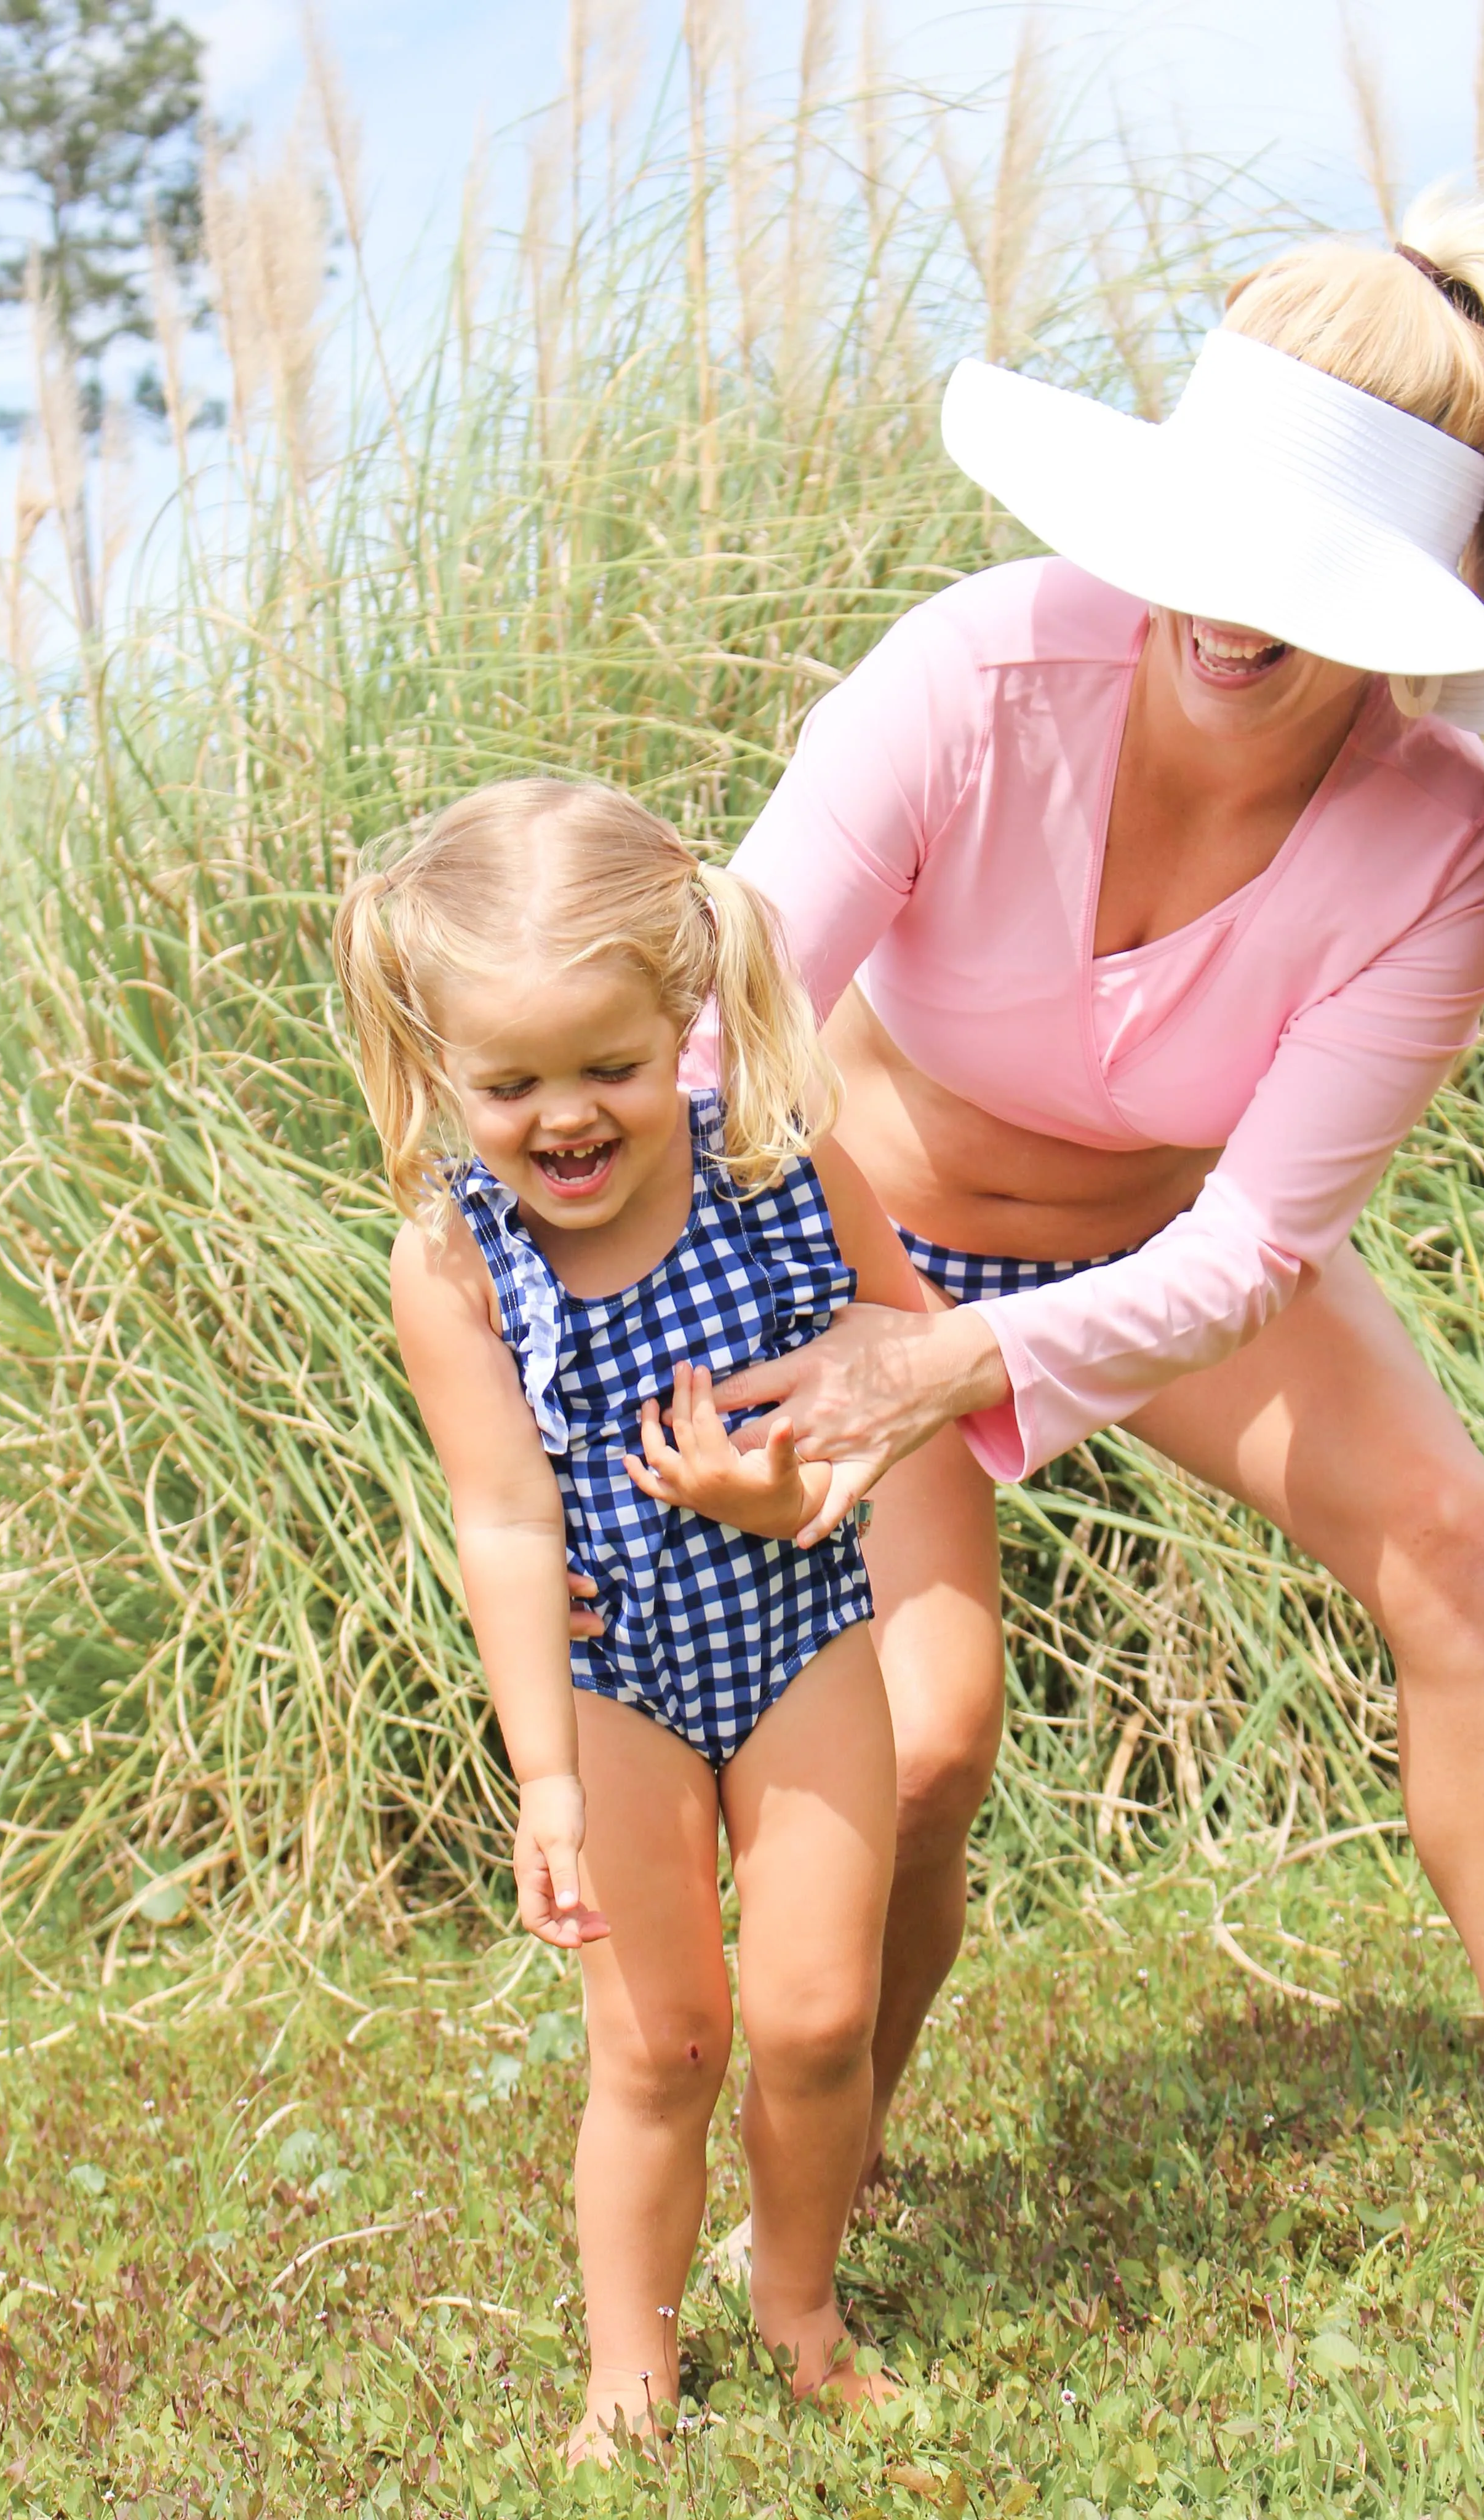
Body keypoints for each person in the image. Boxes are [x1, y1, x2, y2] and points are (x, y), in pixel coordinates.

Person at [705, 188, 1484, 2223]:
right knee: (929, 1742)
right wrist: (823, 1329)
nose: (1222, 607)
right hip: (870, 1246)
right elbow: (731, 1027)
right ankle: (828, 2176)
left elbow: (1255, 1249)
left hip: (1166, 1261)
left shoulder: (1441, 849)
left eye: (1298, 570)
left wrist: (985, 1353)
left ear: (1411, 593)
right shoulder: (973, 672)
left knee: (1456, 1546)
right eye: (1204, 532)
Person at [332, 780, 920, 2461]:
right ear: (443, 1070)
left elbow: (912, 1362)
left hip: (798, 1624)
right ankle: (629, 2369)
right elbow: (506, 1516)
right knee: (659, 2041)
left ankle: (800, 2306)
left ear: (686, 1018)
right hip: (610, 1683)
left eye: (609, 1064)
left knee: (815, 2016)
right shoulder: (460, 1259)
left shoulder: (790, 1174)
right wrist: (547, 1777)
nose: (566, 1117)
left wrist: (787, 1483)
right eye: (509, 1083)